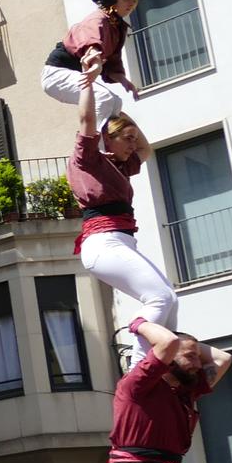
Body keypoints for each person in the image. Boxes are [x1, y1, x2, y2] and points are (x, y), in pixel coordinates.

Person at [70, 60, 174, 334]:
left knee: (170, 300)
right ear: (108, 138)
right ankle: (142, 352)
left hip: (121, 241)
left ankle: (164, 364)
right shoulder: (89, 158)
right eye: (126, 138)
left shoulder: (120, 165)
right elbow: (87, 120)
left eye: (133, 138)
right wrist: (89, 83)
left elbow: (146, 150)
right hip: (104, 243)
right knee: (159, 298)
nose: (132, 144)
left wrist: (123, 114)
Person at [104, 318, 232, 463]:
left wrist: (188, 345)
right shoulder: (137, 385)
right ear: (169, 358)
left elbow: (224, 358)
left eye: (197, 357)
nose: (198, 364)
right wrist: (140, 323)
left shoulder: (186, 391)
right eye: (190, 357)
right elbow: (168, 341)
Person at [43, 0, 144, 122]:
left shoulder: (118, 28)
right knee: (103, 98)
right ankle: (94, 143)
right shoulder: (98, 19)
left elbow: (112, 62)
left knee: (116, 103)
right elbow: (91, 45)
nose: (131, 4)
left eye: (134, 1)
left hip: (77, 73)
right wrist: (96, 66)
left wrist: (124, 81)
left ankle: (109, 144)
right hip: (57, 74)